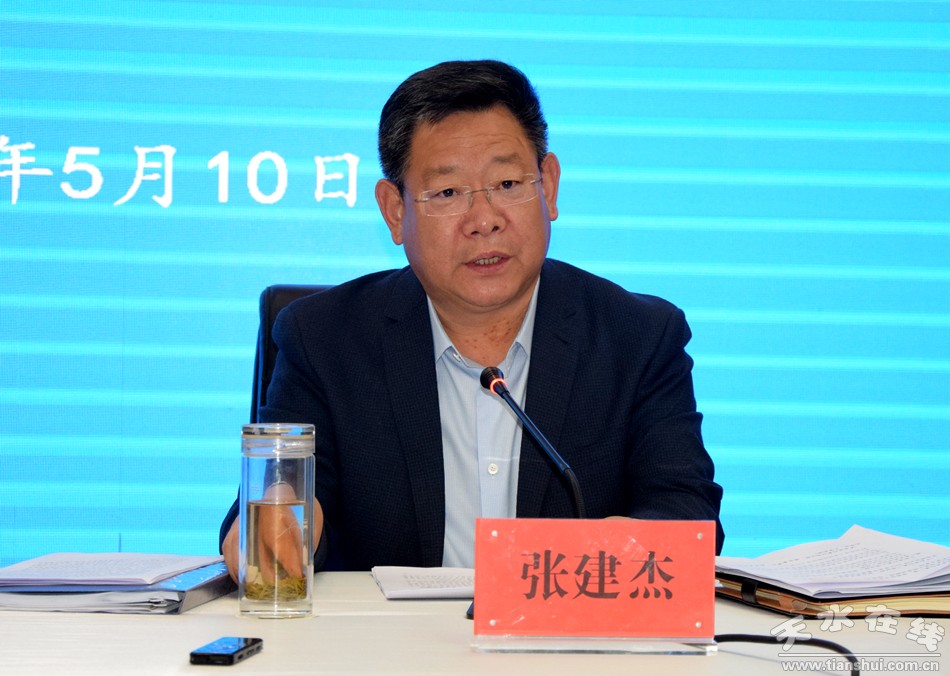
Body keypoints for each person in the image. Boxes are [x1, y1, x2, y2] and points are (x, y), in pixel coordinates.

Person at [220, 59, 723, 578]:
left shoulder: (638, 338)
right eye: (448, 193)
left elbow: (686, 513)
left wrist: (619, 549)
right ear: (395, 211)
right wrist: (279, 526)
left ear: (548, 187)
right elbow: (280, 500)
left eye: (507, 183)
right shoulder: (323, 340)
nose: (484, 220)